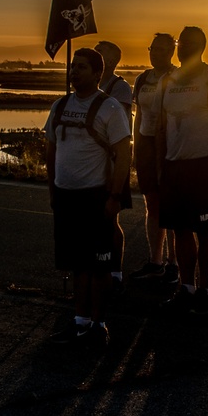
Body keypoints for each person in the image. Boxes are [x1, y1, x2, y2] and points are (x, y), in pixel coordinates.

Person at [44, 47, 132, 348]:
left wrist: (115, 195)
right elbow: (51, 149)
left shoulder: (109, 108)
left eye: (82, 67)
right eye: (73, 66)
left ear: (97, 74)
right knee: (77, 264)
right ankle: (79, 323)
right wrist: (53, 188)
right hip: (66, 196)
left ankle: (99, 325)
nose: (74, 72)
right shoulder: (59, 106)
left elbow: (123, 154)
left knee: (99, 266)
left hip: (96, 197)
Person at [155, 26, 208, 315]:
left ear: (202, 46)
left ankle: (205, 290)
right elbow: (161, 128)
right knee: (180, 230)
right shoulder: (168, 81)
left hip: (205, 165)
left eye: (190, 44)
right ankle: (186, 289)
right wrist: (160, 166)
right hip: (174, 165)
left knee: (204, 229)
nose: (184, 48)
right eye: (181, 44)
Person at [128, 33, 179, 283]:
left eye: (160, 49)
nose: (154, 53)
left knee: (172, 204)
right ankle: (155, 261)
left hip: (170, 144)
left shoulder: (178, 77)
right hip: (147, 143)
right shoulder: (142, 79)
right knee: (152, 203)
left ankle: (174, 262)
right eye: (152, 48)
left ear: (172, 51)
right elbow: (138, 115)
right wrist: (137, 149)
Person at [94, 41, 134, 293]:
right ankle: (95, 267)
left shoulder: (119, 88)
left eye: (100, 51)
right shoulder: (91, 86)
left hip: (110, 163)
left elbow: (120, 128)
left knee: (110, 219)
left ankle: (115, 270)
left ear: (110, 61)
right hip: (90, 164)